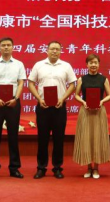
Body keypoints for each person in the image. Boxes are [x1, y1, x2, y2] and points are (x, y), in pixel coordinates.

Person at [28, 41, 77, 179]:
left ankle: (57, 168)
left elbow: (73, 84)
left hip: (59, 107)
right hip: (43, 107)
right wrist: (39, 98)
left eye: (57, 49)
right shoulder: (39, 65)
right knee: (42, 138)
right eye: (52, 49)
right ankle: (41, 168)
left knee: (58, 139)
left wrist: (63, 98)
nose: (54, 51)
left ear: (61, 51)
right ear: (47, 50)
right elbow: (31, 83)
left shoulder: (66, 66)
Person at [0, 37, 26, 179]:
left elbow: (21, 83)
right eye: (3, 45)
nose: (6, 47)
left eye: (8, 45)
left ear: (13, 47)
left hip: (13, 102)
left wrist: (16, 99)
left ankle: (14, 168)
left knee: (13, 136)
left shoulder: (19, 64)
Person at [73, 53, 110, 178]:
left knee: (97, 138)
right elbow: (76, 95)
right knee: (86, 138)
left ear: (99, 64)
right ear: (87, 64)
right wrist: (83, 102)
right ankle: (88, 168)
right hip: (86, 111)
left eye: (95, 62)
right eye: (91, 63)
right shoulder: (81, 79)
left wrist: (102, 101)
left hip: (99, 112)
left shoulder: (104, 79)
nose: (93, 65)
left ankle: (96, 169)